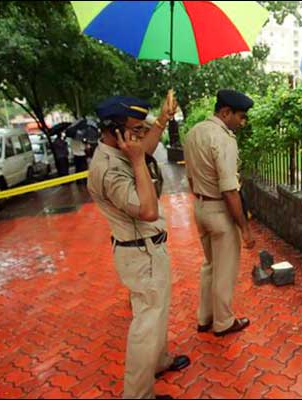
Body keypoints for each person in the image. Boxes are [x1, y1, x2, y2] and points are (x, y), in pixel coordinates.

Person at [87, 93, 190, 399]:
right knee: (145, 325)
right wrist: (136, 160)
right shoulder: (111, 167)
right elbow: (147, 210)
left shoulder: (121, 149)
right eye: (136, 128)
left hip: (148, 249)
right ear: (114, 130)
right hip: (140, 253)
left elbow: (145, 148)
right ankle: (138, 395)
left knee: (157, 313)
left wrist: (162, 119)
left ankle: (158, 362)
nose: (141, 135)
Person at [183, 89, 256, 338]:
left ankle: (205, 317)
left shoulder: (194, 132)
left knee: (210, 265)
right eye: (241, 116)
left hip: (200, 207)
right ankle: (223, 322)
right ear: (226, 112)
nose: (242, 122)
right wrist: (244, 228)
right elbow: (230, 191)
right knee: (225, 269)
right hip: (219, 210)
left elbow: (191, 180)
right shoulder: (223, 139)